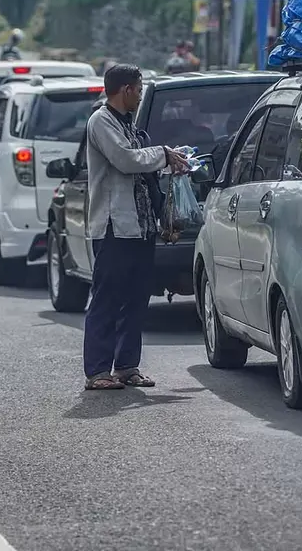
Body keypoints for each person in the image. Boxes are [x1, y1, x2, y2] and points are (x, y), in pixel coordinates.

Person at [83, 63, 190, 391]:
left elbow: (140, 160)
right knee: (107, 298)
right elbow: (126, 160)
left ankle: (127, 366)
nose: (141, 96)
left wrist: (171, 160)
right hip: (113, 225)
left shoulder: (128, 124)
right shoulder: (101, 121)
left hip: (140, 225)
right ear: (126, 89)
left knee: (136, 298)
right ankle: (98, 371)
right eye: (139, 90)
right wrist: (163, 154)